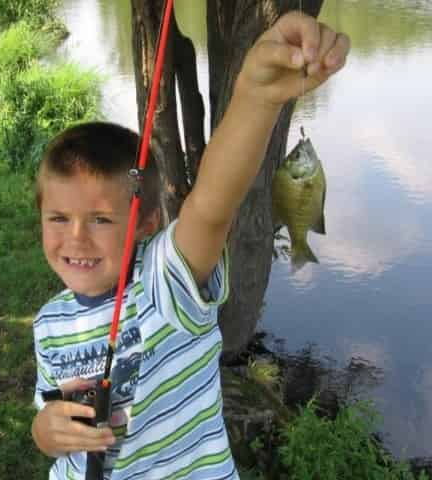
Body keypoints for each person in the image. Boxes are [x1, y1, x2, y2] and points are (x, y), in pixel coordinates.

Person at [31, 11, 350, 480]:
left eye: (101, 219)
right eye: (58, 218)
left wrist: (255, 98)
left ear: (147, 225)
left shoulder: (162, 284)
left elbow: (209, 208)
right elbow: (47, 422)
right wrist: (46, 431)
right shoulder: (49, 322)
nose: (76, 237)